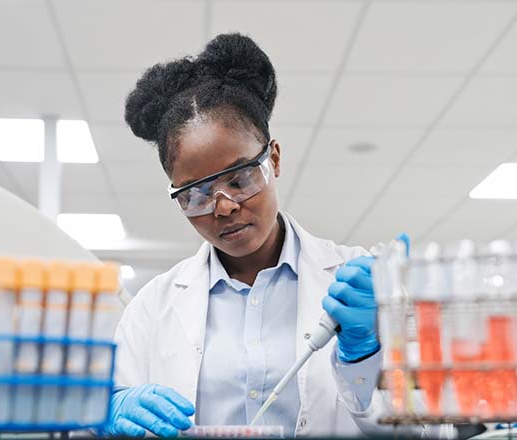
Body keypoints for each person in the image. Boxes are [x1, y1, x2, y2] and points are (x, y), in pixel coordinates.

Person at [107, 33, 388, 438]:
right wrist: (108, 412)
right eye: (196, 194)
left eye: (240, 179)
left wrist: (366, 355)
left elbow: (425, 428)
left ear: (272, 159)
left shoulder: (357, 285)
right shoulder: (153, 307)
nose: (223, 207)